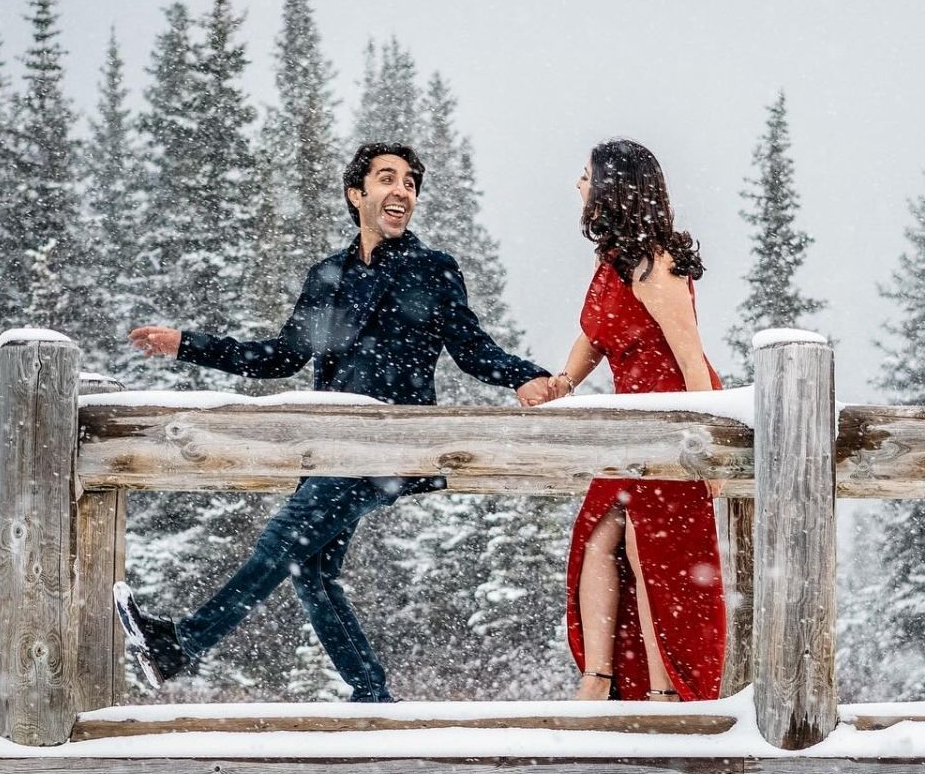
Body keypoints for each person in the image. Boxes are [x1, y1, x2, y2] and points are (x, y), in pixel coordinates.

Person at [114, 142, 552, 700]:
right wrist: (186, 345)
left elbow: (470, 348)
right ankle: (371, 692)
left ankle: (182, 645)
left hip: (392, 443)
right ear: (357, 193)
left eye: (411, 183)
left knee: (285, 540)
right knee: (311, 570)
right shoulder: (327, 275)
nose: (402, 190)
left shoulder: (433, 268)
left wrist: (523, 376)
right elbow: (279, 357)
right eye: (388, 179)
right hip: (332, 444)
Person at [547, 139, 727, 701]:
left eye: (585, 176)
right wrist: (562, 384)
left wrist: (709, 450)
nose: (577, 185)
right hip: (630, 426)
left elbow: (691, 357)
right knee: (598, 540)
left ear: (609, 188)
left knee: (654, 553)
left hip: (674, 420)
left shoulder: (658, 263)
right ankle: (599, 677)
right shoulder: (612, 264)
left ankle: (664, 689)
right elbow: (593, 337)